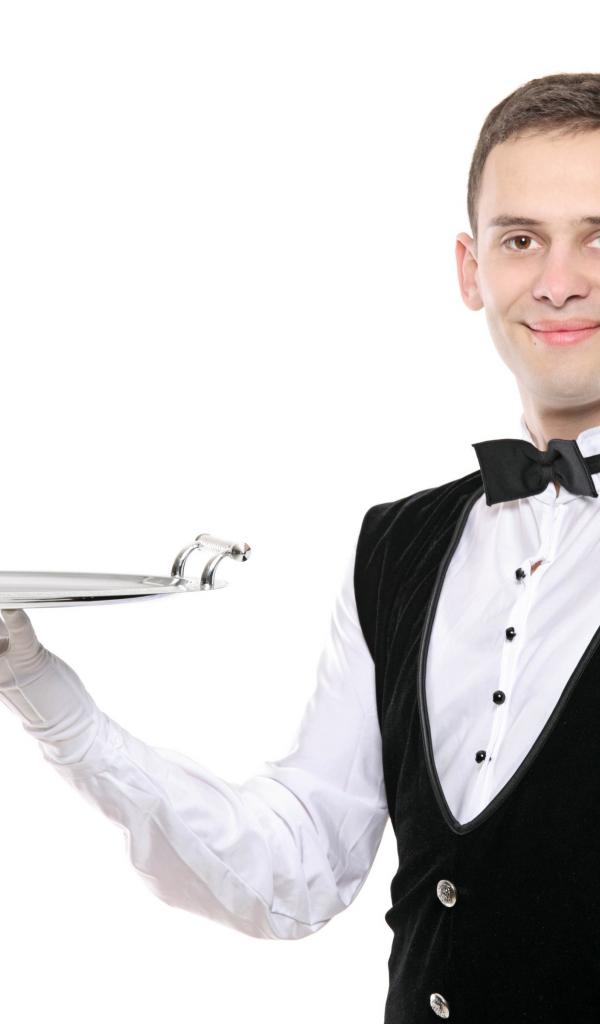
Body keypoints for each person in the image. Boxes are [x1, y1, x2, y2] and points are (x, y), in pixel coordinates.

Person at [3, 70, 600, 1022]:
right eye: (522, 239)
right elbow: (297, 867)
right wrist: (45, 696)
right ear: (470, 268)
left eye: (598, 237)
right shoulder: (395, 546)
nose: (559, 281)